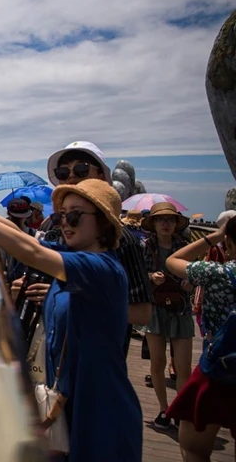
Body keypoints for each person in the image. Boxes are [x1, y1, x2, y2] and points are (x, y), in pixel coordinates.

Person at [0, 177, 143, 461]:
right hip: (67, 403)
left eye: (74, 215)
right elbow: (21, 237)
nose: (65, 223)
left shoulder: (101, 269)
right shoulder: (73, 257)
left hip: (99, 410)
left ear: (104, 222)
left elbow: (30, 252)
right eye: (60, 216)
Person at [38, 141, 153, 351]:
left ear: (101, 176)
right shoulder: (52, 226)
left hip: (97, 352)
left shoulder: (121, 238)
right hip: (49, 344)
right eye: (63, 172)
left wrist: (64, 298)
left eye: (80, 169)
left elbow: (141, 312)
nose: (71, 177)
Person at [164, 216, 236, 462]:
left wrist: (214, 237)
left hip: (218, 371)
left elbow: (173, 261)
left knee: (194, 450)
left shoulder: (218, 273)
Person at [140, 202, 195, 429]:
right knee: (158, 363)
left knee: (184, 367)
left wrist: (190, 281)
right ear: (153, 223)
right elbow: (138, 275)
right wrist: (151, 276)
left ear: (176, 223)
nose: (165, 223)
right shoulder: (145, 246)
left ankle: (179, 411)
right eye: (160, 219)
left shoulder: (185, 246)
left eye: (170, 219)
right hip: (156, 308)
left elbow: (196, 273)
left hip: (180, 309)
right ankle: (164, 410)